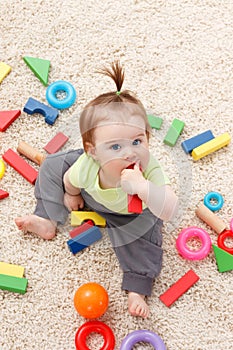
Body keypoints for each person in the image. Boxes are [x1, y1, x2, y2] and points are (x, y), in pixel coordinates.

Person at [15, 61, 178, 318]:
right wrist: (72, 194)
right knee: (52, 165)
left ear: (148, 137)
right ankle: (46, 217)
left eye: (137, 141)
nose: (129, 152)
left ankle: (137, 287)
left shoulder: (148, 168)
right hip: (92, 194)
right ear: (93, 151)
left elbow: (169, 208)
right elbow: (70, 179)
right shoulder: (87, 164)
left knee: (146, 238)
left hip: (132, 213)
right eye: (115, 147)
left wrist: (144, 188)